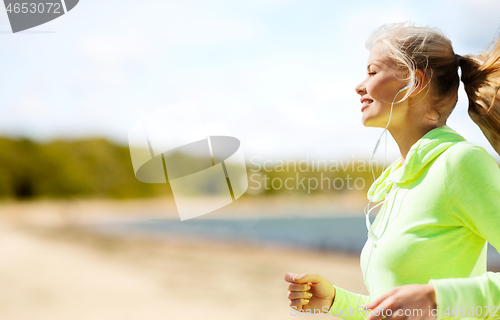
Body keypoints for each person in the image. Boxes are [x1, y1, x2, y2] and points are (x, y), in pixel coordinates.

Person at [285, 22, 500, 320]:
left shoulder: (459, 163)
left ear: (415, 82)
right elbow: (401, 310)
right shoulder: (403, 179)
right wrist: (335, 301)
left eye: (372, 72)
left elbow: (428, 305)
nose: (359, 85)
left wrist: (438, 298)